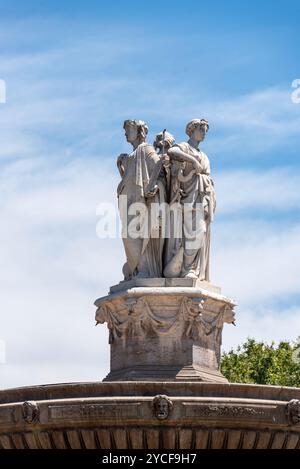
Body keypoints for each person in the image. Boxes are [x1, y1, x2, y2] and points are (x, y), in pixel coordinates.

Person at [164, 119, 216, 280]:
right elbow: (172, 152)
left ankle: (191, 267)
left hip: (202, 198)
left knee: (200, 233)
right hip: (187, 197)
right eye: (201, 129)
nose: (204, 133)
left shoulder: (204, 155)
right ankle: (186, 269)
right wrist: (192, 161)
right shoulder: (185, 147)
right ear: (192, 130)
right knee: (190, 234)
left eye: (205, 130)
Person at [117, 120, 165, 279]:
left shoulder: (146, 150)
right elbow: (130, 179)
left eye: (128, 129)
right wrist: (122, 167)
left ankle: (144, 269)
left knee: (137, 234)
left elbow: (159, 170)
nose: (125, 132)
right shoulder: (132, 154)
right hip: (129, 201)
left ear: (139, 132)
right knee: (128, 234)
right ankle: (136, 268)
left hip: (140, 202)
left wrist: (156, 187)